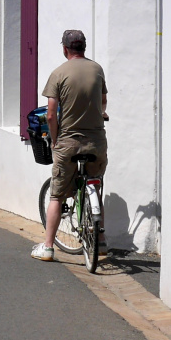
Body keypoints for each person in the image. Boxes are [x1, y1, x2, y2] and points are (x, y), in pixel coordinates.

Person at [32, 29, 108, 262]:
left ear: (65, 49)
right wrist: (101, 115)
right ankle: (101, 244)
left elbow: (52, 115)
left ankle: (47, 247)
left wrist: (55, 141)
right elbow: (103, 102)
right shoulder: (97, 69)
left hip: (68, 143)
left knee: (56, 196)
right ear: (84, 47)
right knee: (95, 185)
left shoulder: (58, 73)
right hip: (96, 142)